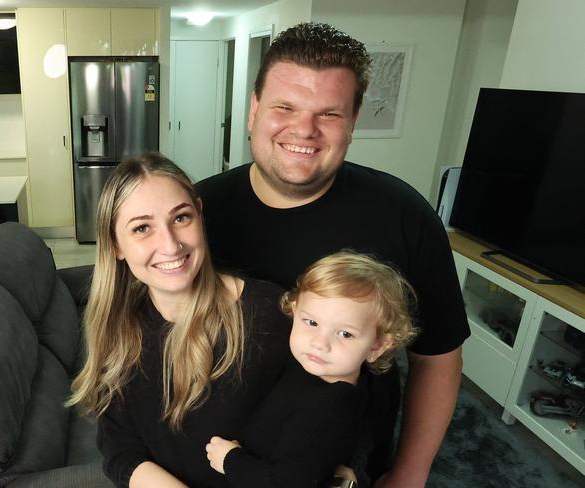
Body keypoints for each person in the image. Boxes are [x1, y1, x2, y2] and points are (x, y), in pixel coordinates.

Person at [196, 22, 470, 488]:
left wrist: (409, 473)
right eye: (285, 106)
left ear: (353, 123)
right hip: (217, 459)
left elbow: (438, 357)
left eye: (329, 114)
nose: (304, 129)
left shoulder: (404, 215)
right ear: (254, 110)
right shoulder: (199, 215)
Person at [67, 153, 292, 488]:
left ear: (200, 215)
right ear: (116, 246)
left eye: (181, 218)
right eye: (142, 228)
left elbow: (332, 413)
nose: (170, 245)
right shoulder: (120, 327)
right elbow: (121, 452)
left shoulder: (272, 313)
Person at [205, 251, 419, 488]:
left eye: (345, 334)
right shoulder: (316, 369)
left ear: (377, 346)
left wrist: (230, 460)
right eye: (312, 323)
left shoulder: (332, 406)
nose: (319, 343)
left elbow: (286, 483)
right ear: (295, 311)